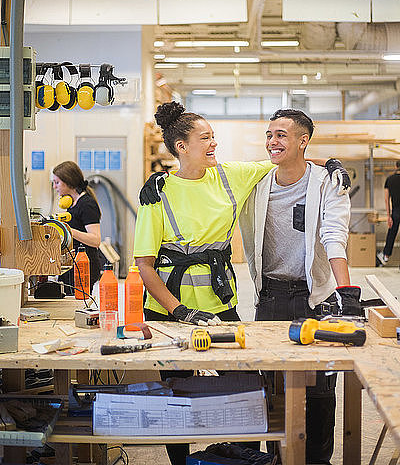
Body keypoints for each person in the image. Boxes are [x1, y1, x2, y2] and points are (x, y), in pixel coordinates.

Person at [135, 102, 350, 465]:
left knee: (250, 390)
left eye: (214, 136)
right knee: (176, 393)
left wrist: (331, 164)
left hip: (222, 308)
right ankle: (182, 461)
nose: (214, 143)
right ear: (182, 147)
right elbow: (144, 264)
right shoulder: (158, 193)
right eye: (206, 138)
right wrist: (179, 309)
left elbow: (287, 160)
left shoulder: (229, 175)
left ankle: (252, 459)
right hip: (171, 312)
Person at [239, 109, 360, 465]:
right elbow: (209, 176)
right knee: (268, 387)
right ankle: (274, 459)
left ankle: (317, 460)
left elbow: (334, 236)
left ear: (303, 141)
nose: (272, 142)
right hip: (271, 298)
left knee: (321, 390)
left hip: (316, 299)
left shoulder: (328, 183)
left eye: (281, 136)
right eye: (269, 135)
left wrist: (346, 292)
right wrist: (163, 179)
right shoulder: (257, 180)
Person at [52, 161, 101, 292]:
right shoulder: (72, 203)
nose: (54, 187)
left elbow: (95, 240)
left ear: (68, 182)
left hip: (85, 265)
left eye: (57, 182)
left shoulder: (87, 205)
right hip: (72, 264)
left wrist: (68, 231)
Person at [377, 160, 400, 265]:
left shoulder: (390, 180)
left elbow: (387, 199)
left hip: (396, 211)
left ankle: (386, 255)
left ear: (396, 166)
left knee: (392, 232)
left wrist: (388, 216)